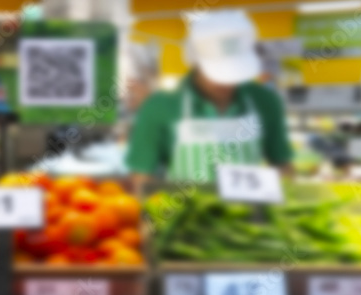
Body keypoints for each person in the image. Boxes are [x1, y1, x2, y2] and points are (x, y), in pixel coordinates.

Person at [126, 10, 293, 187]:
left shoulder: (265, 102)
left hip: (251, 212)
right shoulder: (159, 107)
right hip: (185, 212)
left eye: (234, 73)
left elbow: (282, 166)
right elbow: (142, 178)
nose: (227, 83)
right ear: (196, 62)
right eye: (218, 73)